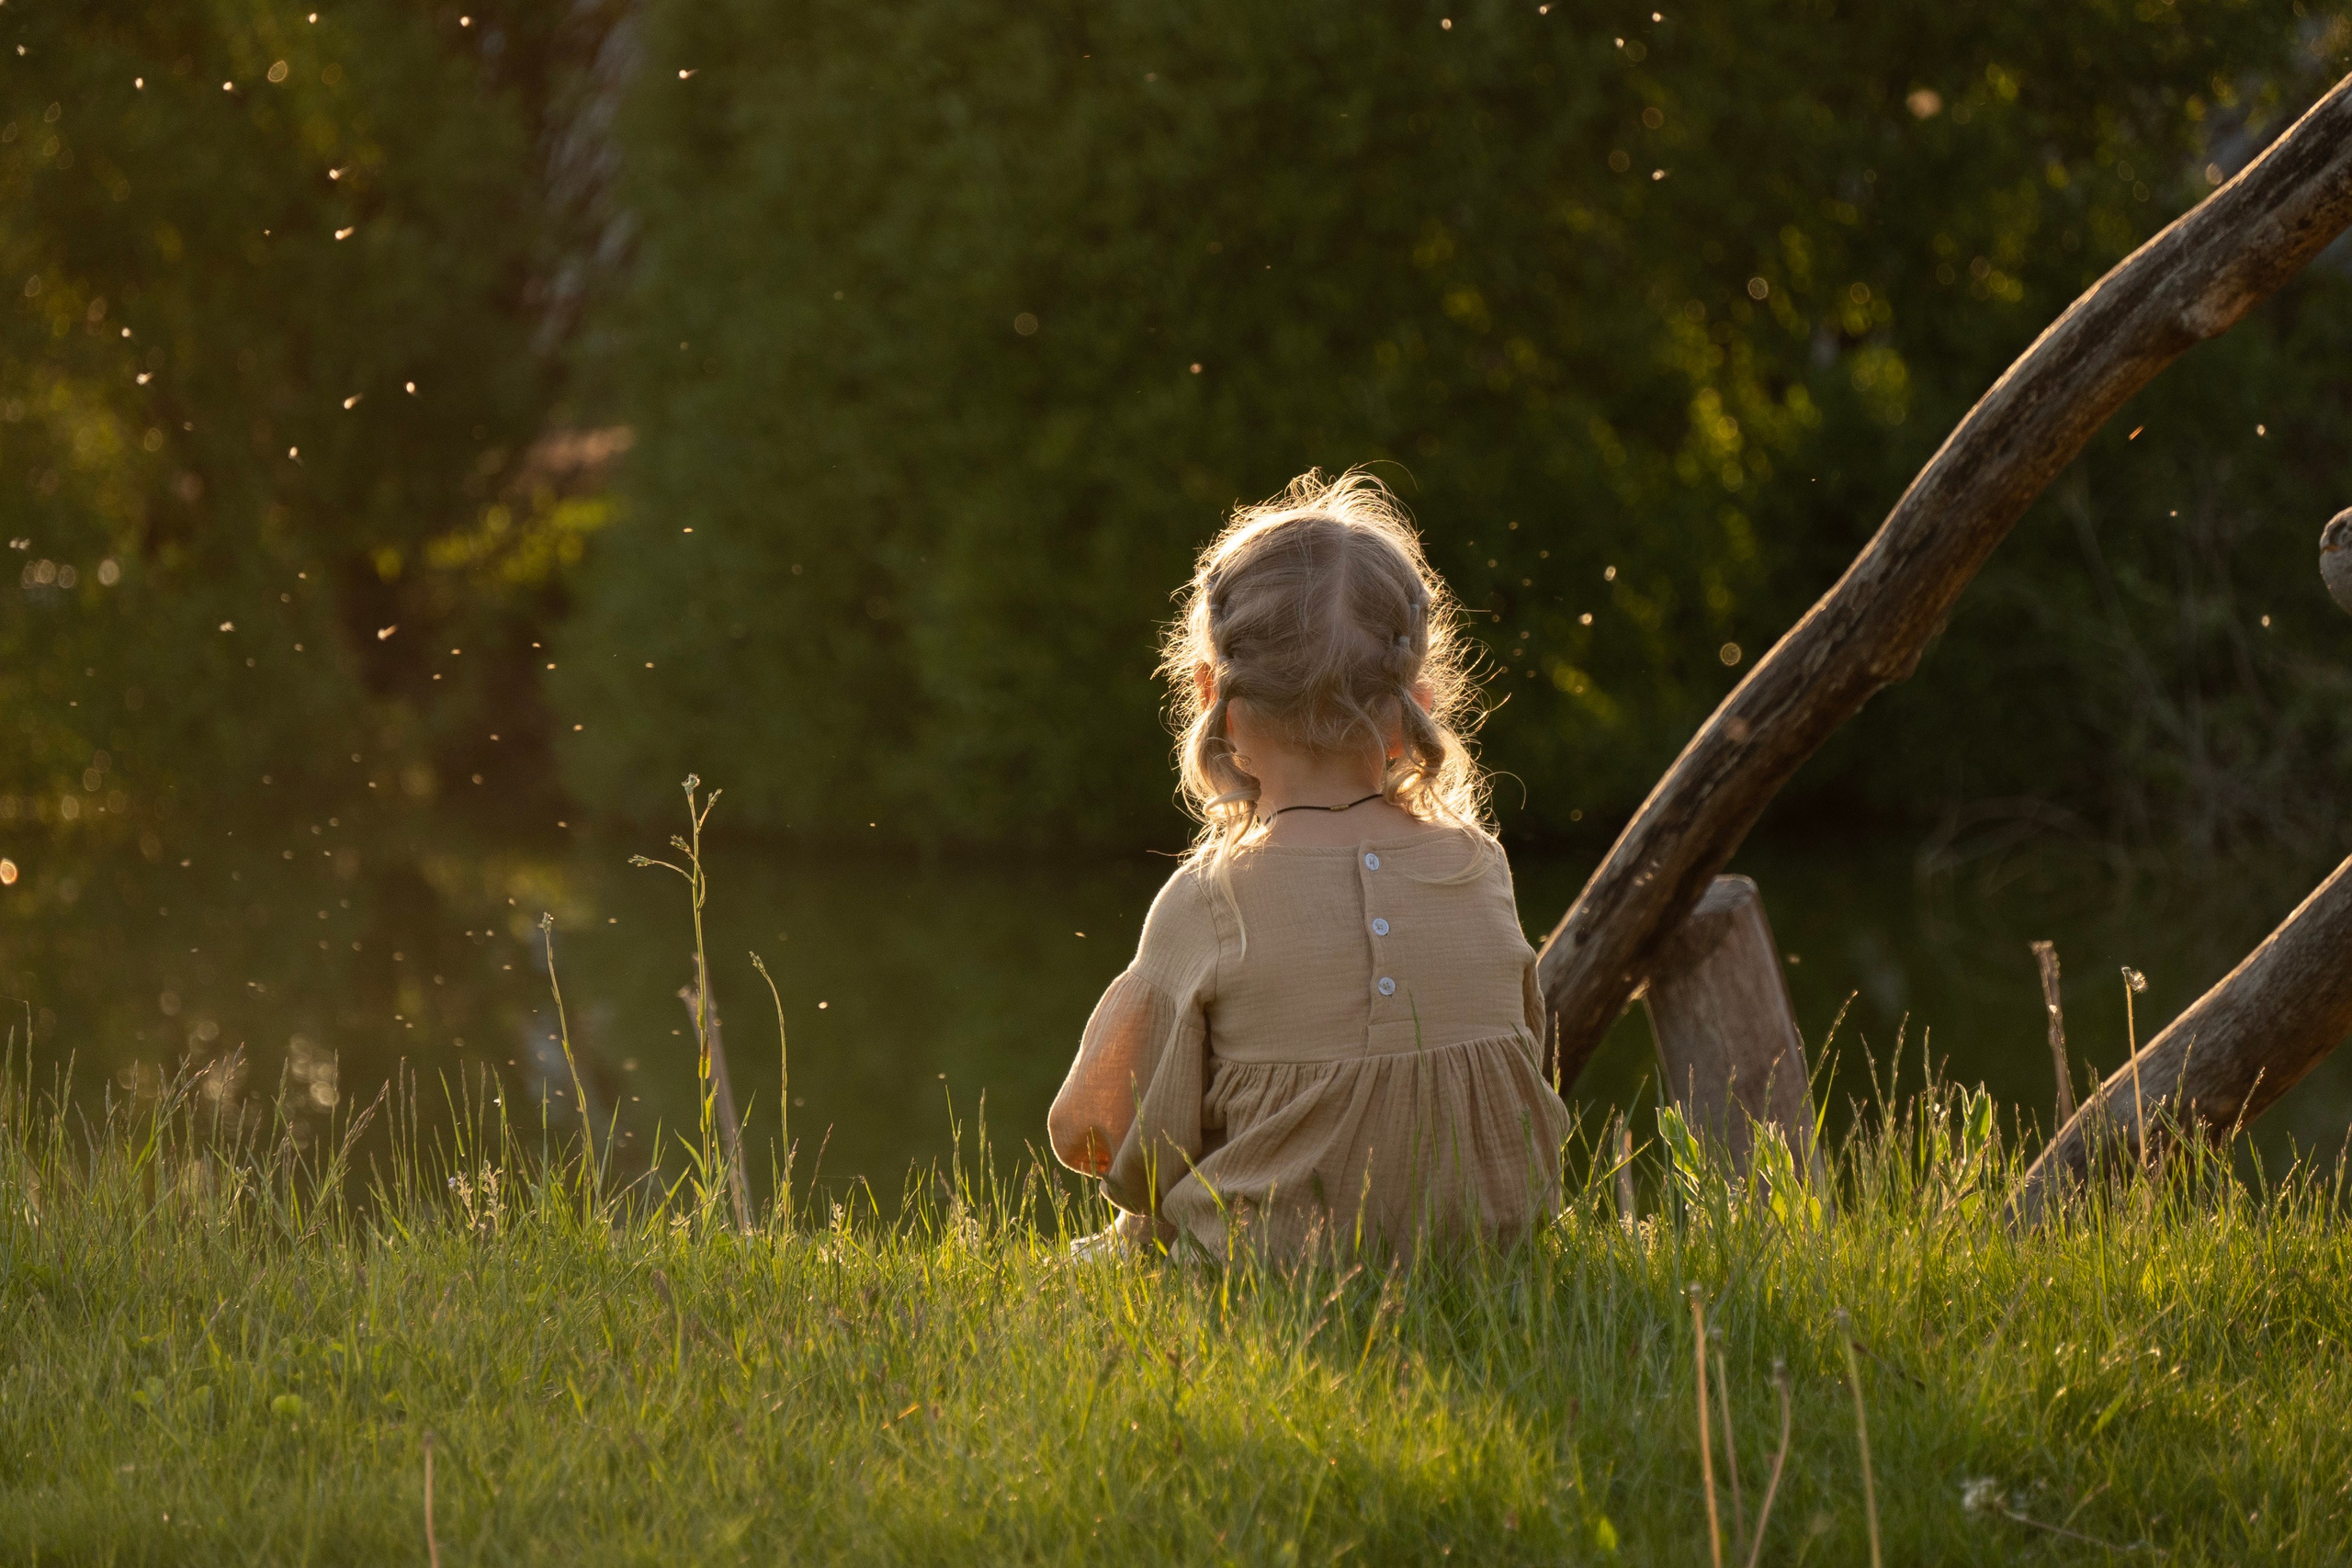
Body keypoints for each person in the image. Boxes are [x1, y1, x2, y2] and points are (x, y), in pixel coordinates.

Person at [1047, 469, 1571, 1259]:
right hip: (1490, 1248)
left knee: (1140, 1219)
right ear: (1416, 698)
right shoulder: (1479, 862)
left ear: (1210, 697)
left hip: (1279, 1261)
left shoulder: (1210, 896)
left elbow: (1107, 1132)